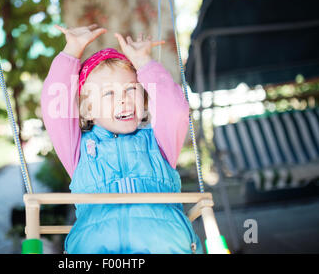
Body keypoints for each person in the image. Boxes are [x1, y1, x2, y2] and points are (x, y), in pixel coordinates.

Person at [40, 23, 203, 254]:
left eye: (131, 89)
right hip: (95, 247)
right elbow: (53, 107)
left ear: (144, 100)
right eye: (108, 93)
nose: (124, 99)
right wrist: (71, 51)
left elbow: (175, 109)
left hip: (163, 243)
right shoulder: (78, 150)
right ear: (87, 110)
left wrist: (144, 63)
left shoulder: (160, 142)